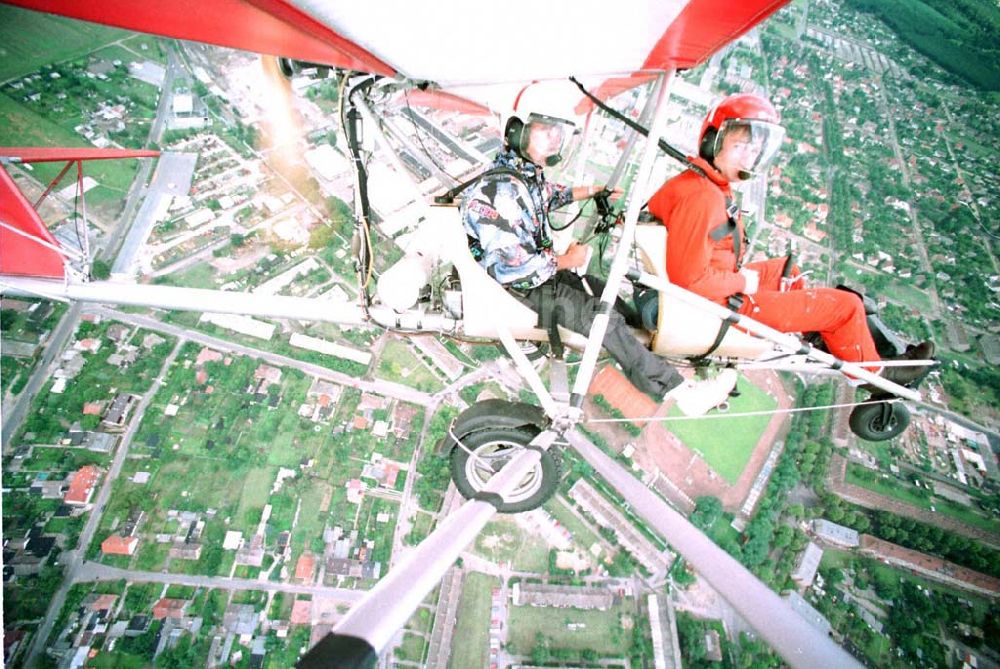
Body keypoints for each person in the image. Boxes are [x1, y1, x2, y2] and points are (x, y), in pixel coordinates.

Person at [461, 95, 737, 416]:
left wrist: (591, 191)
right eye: (545, 130)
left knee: (606, 296)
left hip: (538, 275)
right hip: (518, 287)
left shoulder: (519, 175)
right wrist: (566, 261)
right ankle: (682, 393)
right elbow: (513, 270)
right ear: (516, 131)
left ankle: (660, 346)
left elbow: (546, 195)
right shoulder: (500, 192)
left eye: (557, 133)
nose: (553, 140)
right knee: (599, 318)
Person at [647, 92, 933, 385]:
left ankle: (831, 338)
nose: (749, 156)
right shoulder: (702, 197)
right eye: (740, 145)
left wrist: (739, 279)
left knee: (787, 272)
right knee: (846, 306)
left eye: (753, 149)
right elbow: (690, 282)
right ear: (712, 141)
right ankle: (876, 375)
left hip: (718, 289)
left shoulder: (702, 183)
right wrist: (742, 282)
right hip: (718, 307)